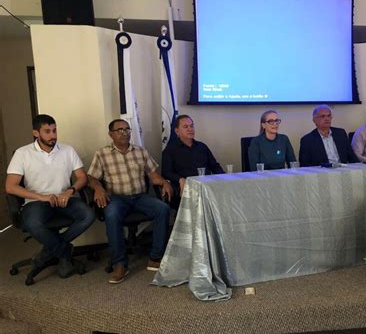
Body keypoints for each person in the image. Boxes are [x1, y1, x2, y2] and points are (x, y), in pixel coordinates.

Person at [5, 114, 95, 278]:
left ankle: (48, 251)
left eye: (54, 130)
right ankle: (64, 252)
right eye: (47, 131)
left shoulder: (67, 150)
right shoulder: (22, 153)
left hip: (64, 199)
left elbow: (82, 177)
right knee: (33, 223)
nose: (53, 135)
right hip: (36, 202)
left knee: (88, 215)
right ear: (36, 133)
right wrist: (41, 197)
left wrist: (70, 191)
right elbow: (10, 186)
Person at [88, 119, 173, 284]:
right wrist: (98, 188)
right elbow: (91, 177)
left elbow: (153, 175)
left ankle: (155, 257)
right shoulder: (102, 154)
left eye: (127, 129)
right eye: (119, 130)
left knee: (162, 209)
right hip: (116, 198)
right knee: (111, 215)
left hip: (140, 197)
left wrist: (164, 182)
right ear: (110, 134)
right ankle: (120, 263)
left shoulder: (140, 151)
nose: (124, 133)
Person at [162, 114, 224, 198]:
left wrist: (225, 178)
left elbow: (215, 166)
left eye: (191, 126)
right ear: (177, 131)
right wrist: (180, 179)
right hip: (186, 189)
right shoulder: (170, 150)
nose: (190, 129)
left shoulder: (202, 147)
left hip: (207, 187)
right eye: (185, 127)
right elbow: (166, 172)